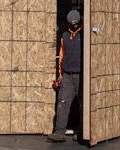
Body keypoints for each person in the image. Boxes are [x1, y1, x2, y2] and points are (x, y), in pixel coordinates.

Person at [47, 9, 83, 143]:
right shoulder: (65, 34)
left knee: (83, 105)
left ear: (79, 20)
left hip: (81, 75)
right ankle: (59, 132)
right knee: (62, 103)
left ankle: (83, 133)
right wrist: (60, 74)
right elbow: (61, 56)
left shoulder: (85, 34)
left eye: (75, 21)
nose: (73, 23)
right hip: (67, 75)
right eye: (71, 21)